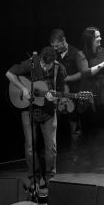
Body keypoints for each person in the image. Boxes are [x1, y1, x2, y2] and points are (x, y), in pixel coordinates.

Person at [6, 46, 67, 191]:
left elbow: (61, 92)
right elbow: (9, 73)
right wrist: (23, 88)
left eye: (49, 65)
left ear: (54, 61)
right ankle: (34, 178)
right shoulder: (32, 63)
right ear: (40, 60)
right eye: (43, 65)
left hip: (48, 112)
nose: (45, 68)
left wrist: (55, 98)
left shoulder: (60, 70)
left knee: (50, 148)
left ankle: (50, 178)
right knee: (29, 147)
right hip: (29, 110)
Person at [49, 29, 85, 156]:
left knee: (74, 127)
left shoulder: (76, 53)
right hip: (58, 96)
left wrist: (68, 78)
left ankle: (76, 157)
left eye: (57, 46)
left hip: (72, 95)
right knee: (51, 125)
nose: (55, 49)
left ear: (63, 40)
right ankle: (53, 156)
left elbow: (83, 73)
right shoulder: (54, 55)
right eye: (53, 46)